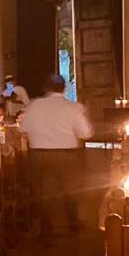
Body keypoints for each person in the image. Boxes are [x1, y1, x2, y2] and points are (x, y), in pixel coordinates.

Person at [19, 74, 92, 237]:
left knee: (41, 193)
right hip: (67, 154)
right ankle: (73, 223)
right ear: (64, 88)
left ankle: (46, 229)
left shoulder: (34, 106)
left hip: (39, 154)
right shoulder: (74, 108)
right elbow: (86, 133)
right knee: (71, 189)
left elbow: (22, 128)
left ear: (45, 88)